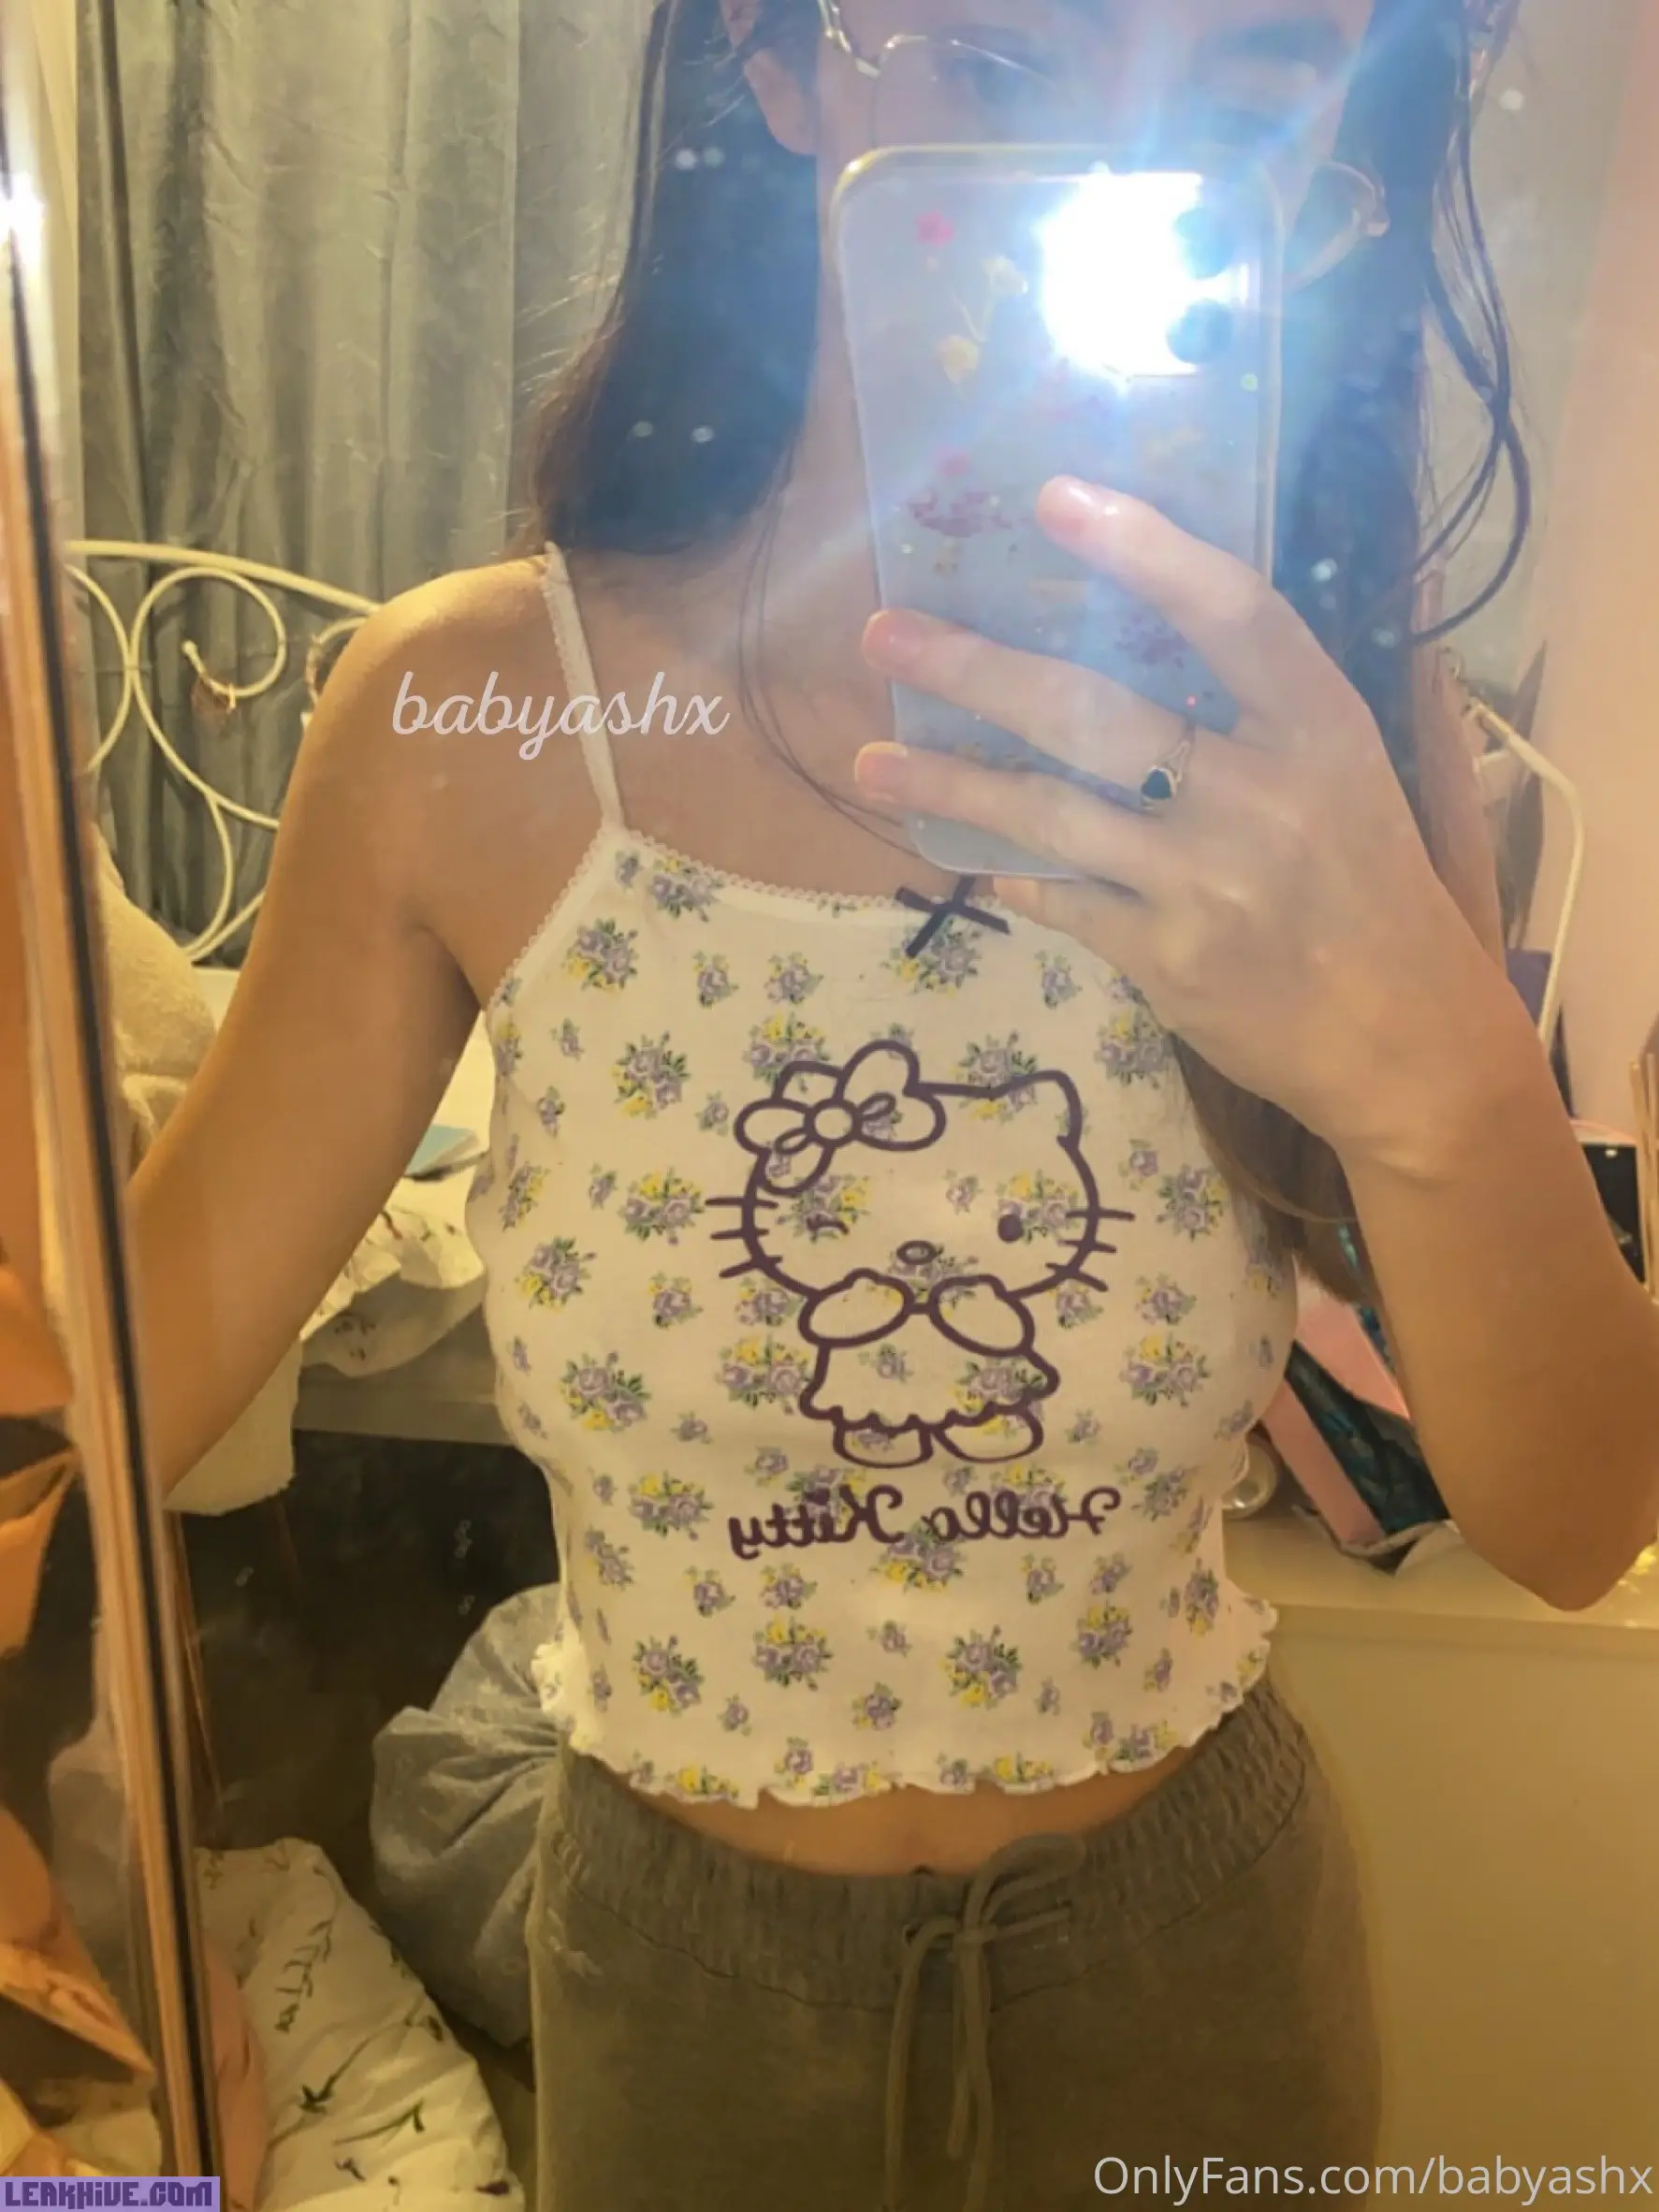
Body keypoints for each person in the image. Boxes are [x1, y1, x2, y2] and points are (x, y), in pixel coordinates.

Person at [27, 0, 1654, 2205]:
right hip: (684, 1994)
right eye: (1005, 70)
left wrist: (1441, 1074)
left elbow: (1572, 1525)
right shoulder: (470, 719)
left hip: (1195, 1969)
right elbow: (107, 1404)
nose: (1106, 181)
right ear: (782, 67)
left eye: (1245, 92)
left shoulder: (1324, 735)